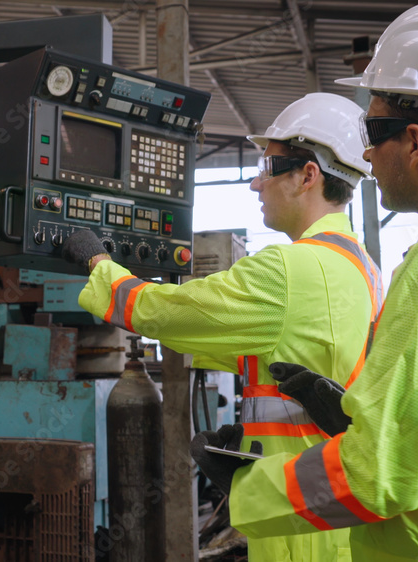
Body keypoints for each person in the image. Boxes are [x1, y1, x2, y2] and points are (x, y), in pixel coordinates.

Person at [191, 1, 418, 560]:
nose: (364, 152)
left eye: (372, 128)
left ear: (415, 142)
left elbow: (382, 471)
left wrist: (248, 491)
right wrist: (355, 419)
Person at [64, 92, 381, 561]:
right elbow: (295, 351)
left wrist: (99, 264)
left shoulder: (288, 269)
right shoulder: (363, 268)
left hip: (300, 524)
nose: (256, 183)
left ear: (308, 175)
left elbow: (165, 311)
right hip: (336, 509)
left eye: (267, 167)